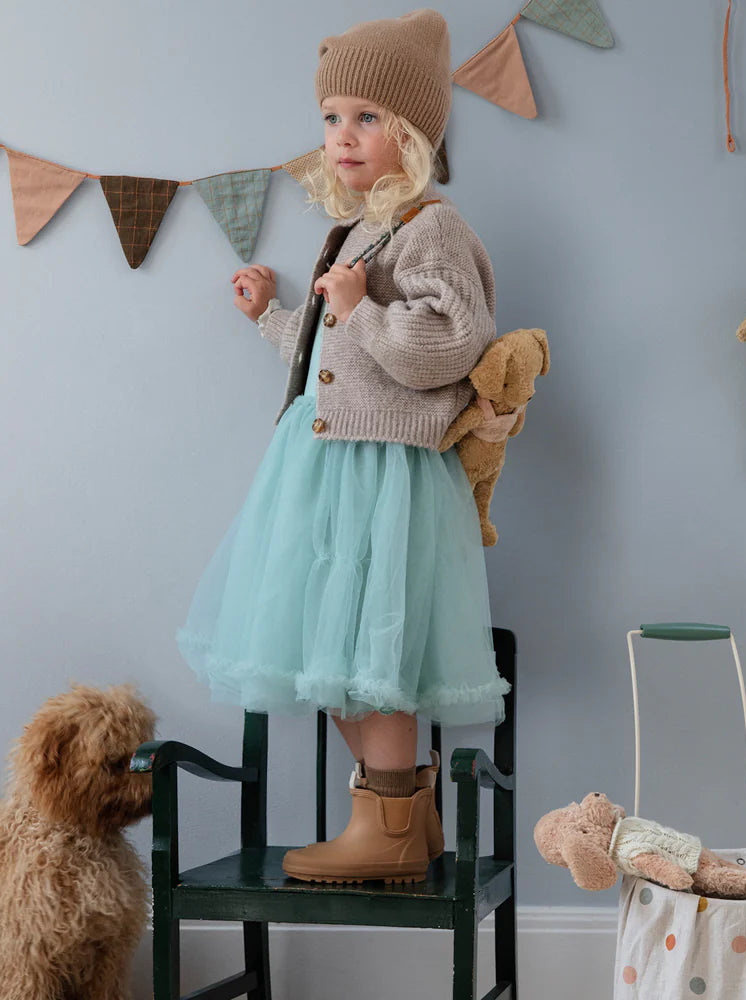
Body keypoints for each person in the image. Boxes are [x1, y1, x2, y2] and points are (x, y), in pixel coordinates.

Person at [177, 8, 509, 883]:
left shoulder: (431, 227)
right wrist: (276, 320)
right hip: (327, 467)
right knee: (329, 653)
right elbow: (337, 353)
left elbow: (447, 346)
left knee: (373, 651)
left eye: (366, 118)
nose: (343, 136)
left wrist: (359, 305)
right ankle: (402, 818)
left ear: (411, 132)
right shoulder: (358, 228)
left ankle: (391, 826)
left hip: (384, 471)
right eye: (331, 118)